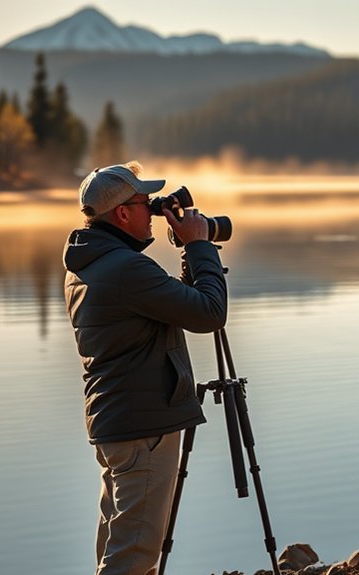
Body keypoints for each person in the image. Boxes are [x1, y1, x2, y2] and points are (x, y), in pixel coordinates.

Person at [63, 161, 228, 575]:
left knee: (120, 545)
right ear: (121, 214)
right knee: (133, 558)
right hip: (143, 428)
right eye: (144, 203)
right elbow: (209, 313)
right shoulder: (126, 269)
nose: (152, 209)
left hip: (116, 421)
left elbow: (175, 302)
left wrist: (192, 252)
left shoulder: (87, 262)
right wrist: (199, 246)